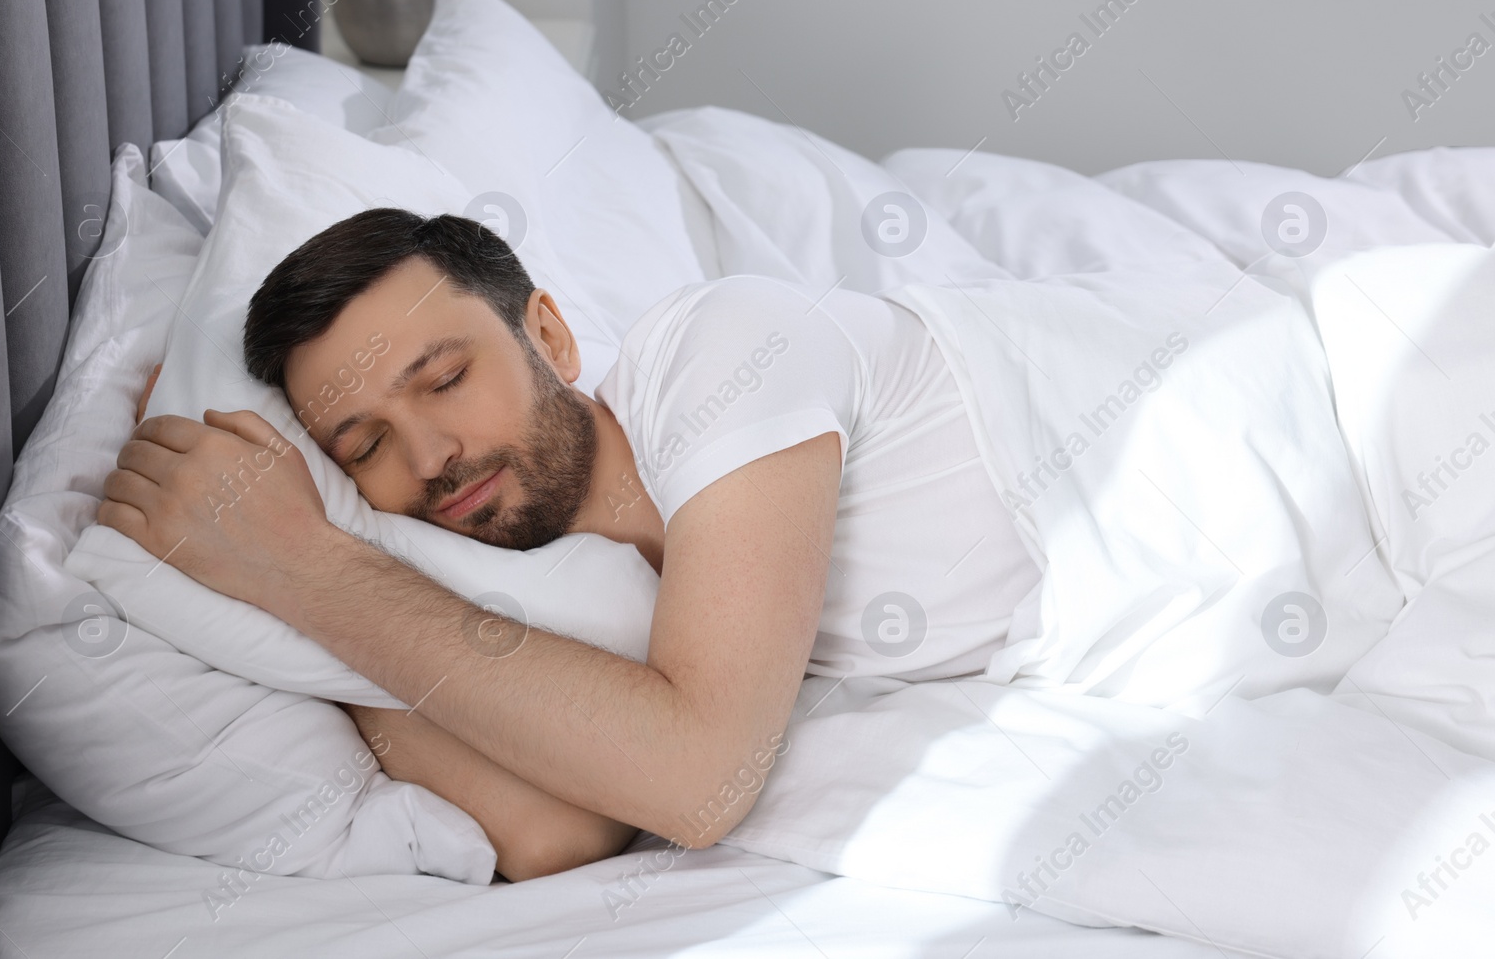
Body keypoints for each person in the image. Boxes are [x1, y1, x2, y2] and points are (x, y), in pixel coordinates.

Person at [106, 208, 1040, 881]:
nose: (430, 455)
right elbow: (549, 833)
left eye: (445, 379)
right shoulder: (559, 598)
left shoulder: (722, 350)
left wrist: (306, 569)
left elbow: (700, 780)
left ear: (550, 334)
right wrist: (305, 609)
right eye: (366, 446)